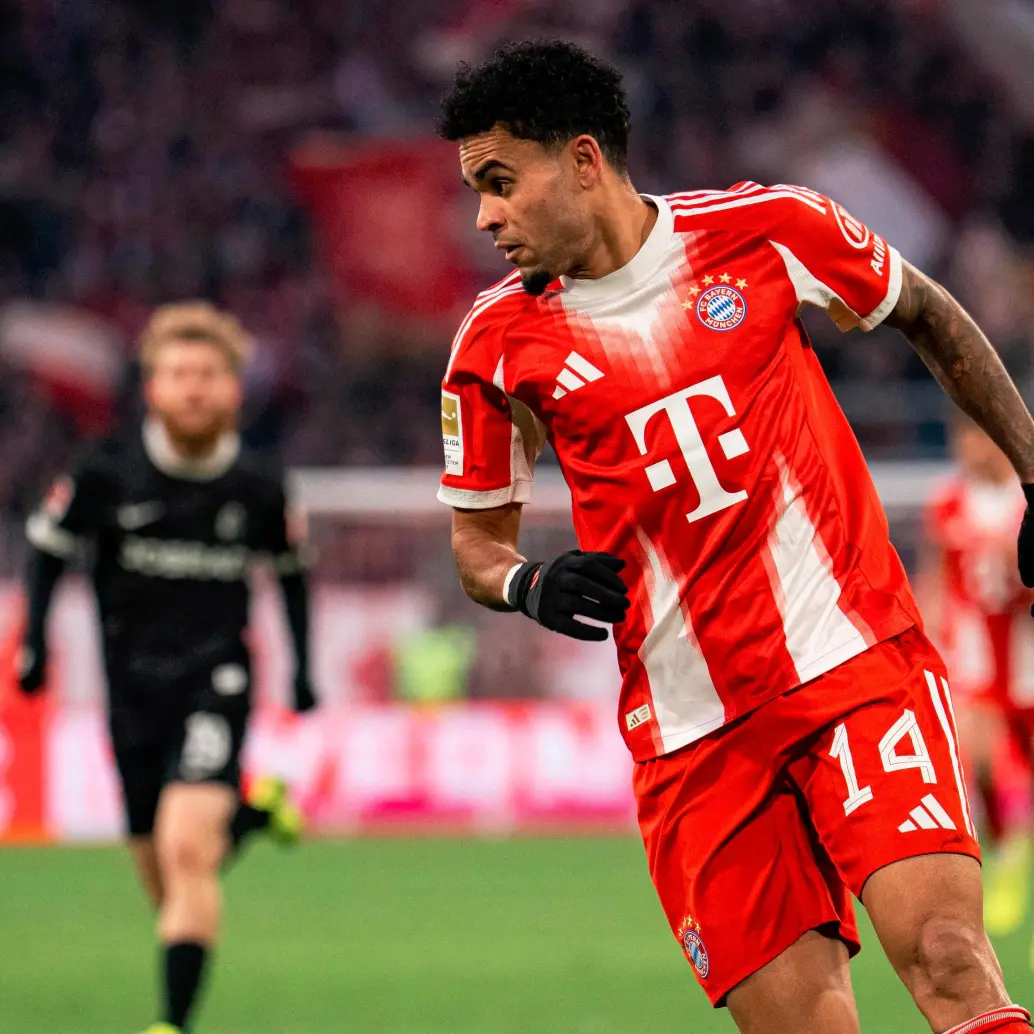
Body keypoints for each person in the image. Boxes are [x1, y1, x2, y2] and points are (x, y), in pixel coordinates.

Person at [435, 39, 1034, 1034]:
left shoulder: (764, 230)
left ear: (582, 160)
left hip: (850, 662)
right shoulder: (493, 347)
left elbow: (923, 311)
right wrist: (527, 585)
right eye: (475, 191)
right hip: (691, 736)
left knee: (944, 956)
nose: (483, 216)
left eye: (499, 182)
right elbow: (475, 548)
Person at [17, 301, 317, 1034]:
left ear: (232, 389)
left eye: (208, 374)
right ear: (151, 387)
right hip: (131, 692)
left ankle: (171, 1026)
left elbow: (291, 575)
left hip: (216, 680)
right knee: (168, 882)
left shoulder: (259, 485)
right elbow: (49, 551)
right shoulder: (104, 473)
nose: (193, 388)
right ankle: (250, 813)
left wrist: (305, 669)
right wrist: (34, 642)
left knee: (187, 852)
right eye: (178, 374)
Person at [919, 416, 1034, 952]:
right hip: (973, 659)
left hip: (1026, 652)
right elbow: (937, 575)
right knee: (979, 761)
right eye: (961, 439)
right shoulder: (946, 505)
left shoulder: (1025, 501)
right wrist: (927, 631)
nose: (969, 449)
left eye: (978, 438)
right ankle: (1007, 850)